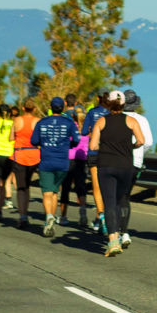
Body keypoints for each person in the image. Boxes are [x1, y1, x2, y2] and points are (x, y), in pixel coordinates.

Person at [88, 91, 146, 257]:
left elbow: (92, 146)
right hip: (125, 166)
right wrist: (130, 148)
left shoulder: (101, 121)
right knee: (121, 200)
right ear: (123, 104)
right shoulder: (131, 121)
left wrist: (105, 148)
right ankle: (122, 233)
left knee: (109, 202)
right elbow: (141, 141)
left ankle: (113, 240)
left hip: (106, 166)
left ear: (108, 103)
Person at [31, 97, 79, 238]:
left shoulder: (42, 122)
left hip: (46, 161)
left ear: (51, 108)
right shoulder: (69, 123)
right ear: (62, 108)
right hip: (63, 163)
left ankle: (49, 217)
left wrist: (44, 143)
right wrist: (67, 145)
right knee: (55, 191)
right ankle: (51, 217)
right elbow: (76, 140)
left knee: (47, 192)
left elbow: (33, 141)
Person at [119, 90, 155, 247]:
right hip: (135, 163)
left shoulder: (116, 119)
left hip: (117, 161)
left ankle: (114, 229)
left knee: (115, 196)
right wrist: (139, 153)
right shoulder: (142, 120)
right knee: (126, 197)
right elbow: (148, 143)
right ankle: (124, 231)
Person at [58, 94, 92, 228]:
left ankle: (63, 216)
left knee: (65, 188)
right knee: (81, 188)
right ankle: (82, 213)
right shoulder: (87, 130)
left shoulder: (70, 127)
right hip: (81, 160)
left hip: (69, 159)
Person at [80, 95, 113, 232]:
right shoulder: (112, 114)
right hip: (109, 153)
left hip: (94, 152)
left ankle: (101, 216)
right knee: (109, 186)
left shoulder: (92, 112)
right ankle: (106, 215)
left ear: (98, 99)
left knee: (96, 185)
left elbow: (83, 132)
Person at [10, 102, 43, 230]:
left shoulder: (17, 120)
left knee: (20, 187)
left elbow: (11, 137)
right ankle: (25, 213)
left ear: (23, 108)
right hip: (34, 155)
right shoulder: (37, 121)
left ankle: (22, 216)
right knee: (27, 185)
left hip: (20, 155)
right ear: (34, 109)